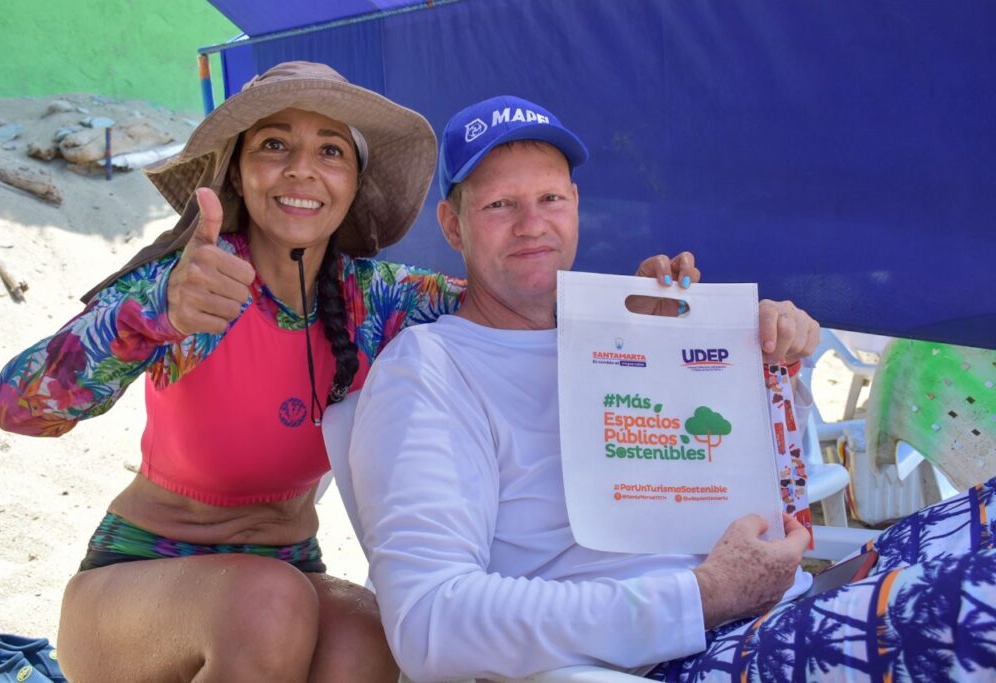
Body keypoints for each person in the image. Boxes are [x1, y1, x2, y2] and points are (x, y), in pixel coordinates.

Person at [0, 66, 686, 680]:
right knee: (267, 604)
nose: (302, 169)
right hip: (135, 587)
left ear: (354, 183)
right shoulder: (188, 283)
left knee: (367, 636)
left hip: (288, 574)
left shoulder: (375, 300)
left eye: (330, 150)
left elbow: (517, 301)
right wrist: (154, 314)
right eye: (275, 145)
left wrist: (640, 305)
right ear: (237, 171)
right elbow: (18, 407)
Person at [348, 95, 996, 682]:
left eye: (551, 198)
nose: (532, 224)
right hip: (671, 659)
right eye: (499, 205)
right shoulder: (430, 368)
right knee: (978, 595)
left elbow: (776, 487)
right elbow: (432, 622)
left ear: (576, 205)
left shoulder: (628, 327)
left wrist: (769, 367)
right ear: (453, 225)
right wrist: (704, 593)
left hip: (768, 614)